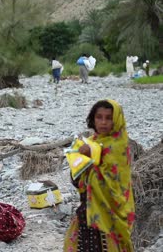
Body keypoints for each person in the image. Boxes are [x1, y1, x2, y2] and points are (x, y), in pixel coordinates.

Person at [64, 99, 135, 252]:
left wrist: (90, 158)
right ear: (93, 119)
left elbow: (114, 182)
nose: (103, 122)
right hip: (87, 212)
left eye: (109, 118)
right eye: (99, 117)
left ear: (116, 120)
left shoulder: (119, 146)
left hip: (110, 215)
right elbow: (76, 179)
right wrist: (80, 161)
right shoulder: (90, 143)